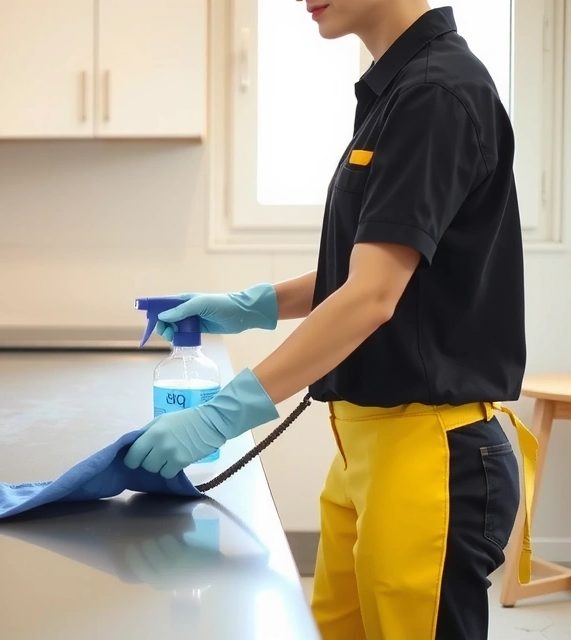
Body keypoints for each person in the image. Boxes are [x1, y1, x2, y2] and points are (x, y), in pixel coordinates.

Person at [123, 2, 540, 638]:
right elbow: (382, 269)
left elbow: (372, 296)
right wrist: (253, 305)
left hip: (427, 454)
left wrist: (223, 414)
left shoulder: (436, 93)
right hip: (365, 448)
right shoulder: (397, 90)